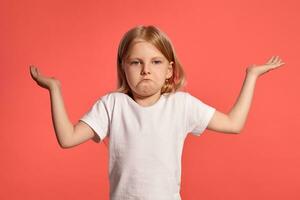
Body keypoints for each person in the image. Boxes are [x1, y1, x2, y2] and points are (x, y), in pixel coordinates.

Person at [29, 25, 285, 200]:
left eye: (156, 62)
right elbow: (67, 138)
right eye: (136, 62)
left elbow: (233, 123)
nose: (145, 70)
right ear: (123, 67)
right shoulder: (112, 105)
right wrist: (55, 89)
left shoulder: (180, 105)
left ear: (169, 70)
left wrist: (251, 76)